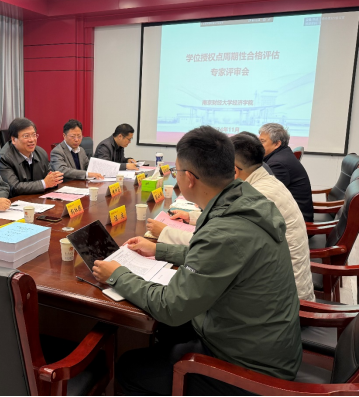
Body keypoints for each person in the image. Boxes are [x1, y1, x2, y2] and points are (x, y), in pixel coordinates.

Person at [92, 126, 302, 395]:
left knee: (129, 367)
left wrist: (118, 274)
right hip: (260, 342)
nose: (175, 175)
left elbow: (171, 306)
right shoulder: (246, 199)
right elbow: (220, 259)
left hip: (250, 370)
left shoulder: (225, 230)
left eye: (176, 170)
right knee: (167, 333)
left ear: (189, 178)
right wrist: (160, 250)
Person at [147, 133, 315, 301]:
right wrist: (191, 216)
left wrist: (166, 233)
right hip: (273, 287)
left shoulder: (258, 194)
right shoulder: (263, 182)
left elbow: (214, 242)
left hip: (283, 298)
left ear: (232, 169)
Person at [259, 123, 314, 222]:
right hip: (292, 215)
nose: (258, 145)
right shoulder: (282, 155)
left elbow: (264, 196)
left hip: (295, 222)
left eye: (262, 141)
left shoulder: (278, 164)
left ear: (277, 144)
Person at [0, 118, 63, 196]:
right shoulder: (3, 158)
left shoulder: (41, 152)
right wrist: (44, 183)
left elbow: (50, 177)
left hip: (38, 198)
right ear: (13, 140)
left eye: (34, 135)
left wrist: (54, 179)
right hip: (15, 201)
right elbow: (13, 187)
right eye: (26, 136)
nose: (32, 140)